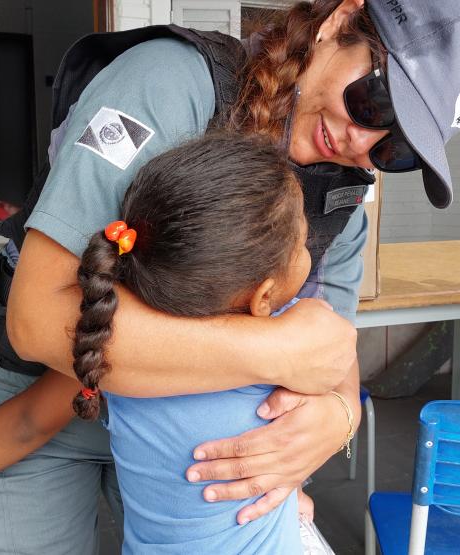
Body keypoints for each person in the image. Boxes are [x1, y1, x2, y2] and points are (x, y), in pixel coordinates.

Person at [0, 1, 460, 553]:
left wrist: (332, 422)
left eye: (396, 148)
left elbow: (329, 356)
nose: (361, 141)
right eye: (375, 103)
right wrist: (275, 349)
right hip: (38, 389)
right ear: (339, 20)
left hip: (193, 447)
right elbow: (37, 322)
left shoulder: (342, 199)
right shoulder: (168, 83)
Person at [71, 131, 326, 553]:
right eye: (302, 244)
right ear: (263, 298)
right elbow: (332, 350)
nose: (308, 250)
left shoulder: (111, 349)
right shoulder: (290, 343)